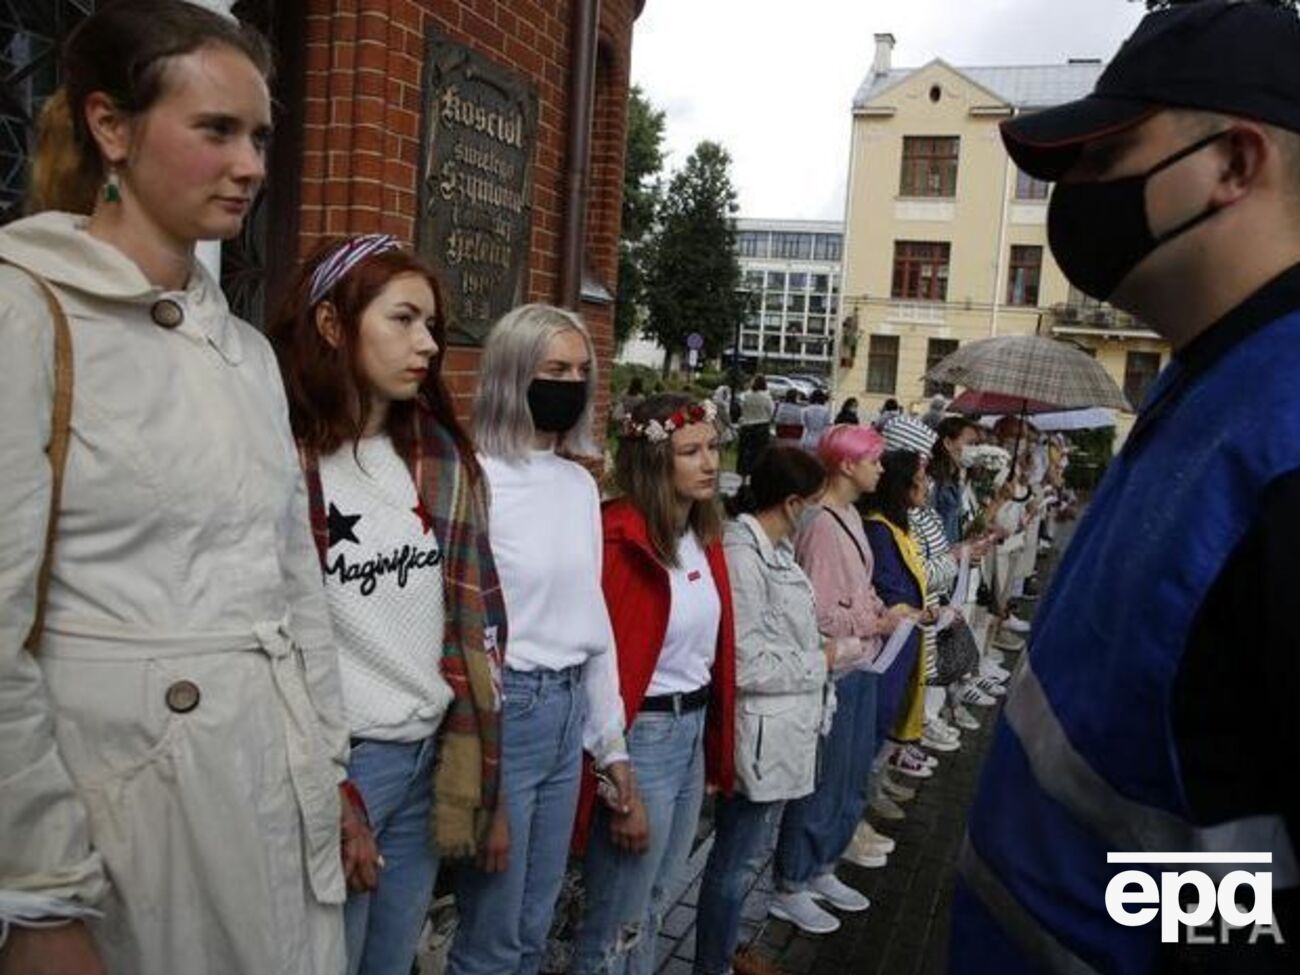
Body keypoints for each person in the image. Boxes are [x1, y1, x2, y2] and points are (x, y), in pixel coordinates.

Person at [0, 3, 360, 972]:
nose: (250, 164)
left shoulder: (243, 349)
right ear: (111, 127)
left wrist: (327, 766)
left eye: (259, 136)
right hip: (128, 823)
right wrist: (39, 895)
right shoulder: (26, 312)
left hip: (272, 802)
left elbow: (295, 581)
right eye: (216, 130)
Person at [954, 3, 1300, 971]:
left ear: (1234, 164)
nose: (1075, 194)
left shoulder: (1283, 436)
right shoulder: (1214, 378)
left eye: (1105, 157)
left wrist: (1151, 927)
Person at [268, 237, 504, 975]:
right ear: (334, 325)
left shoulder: (434, 458)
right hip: (344, 765)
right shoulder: (282, 458)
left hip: (427, 751)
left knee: (389, 960)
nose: (427, 344)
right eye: (403, 319)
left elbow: (470, 620)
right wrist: (329, 788)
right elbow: (266, 636)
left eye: (430, 324)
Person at [449, 305, 634, 975]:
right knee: (490, 934)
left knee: (533, 926)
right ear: (511, 372)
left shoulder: (577, 485)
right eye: (555, 369)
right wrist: (485, 781)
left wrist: (611, 745)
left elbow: (595, 624)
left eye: (582, 370)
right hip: (506, 716)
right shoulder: (474, 480)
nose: (573, 382)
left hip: (565, 716)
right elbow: (461, 631)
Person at [573, 393, 736, 975]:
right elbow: (601, 664)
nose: (709, 462)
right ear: (653, 460)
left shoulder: (703, 533)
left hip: (689, 736)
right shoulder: (616, 537)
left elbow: (714, 657)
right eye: (690, 452)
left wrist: (713, 749)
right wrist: (619, 776)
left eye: (713, 447)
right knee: (617, 916)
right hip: (643, 738)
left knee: (657, 903)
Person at [695, 447, 830, 975]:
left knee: (742, 856)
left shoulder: (774, 547)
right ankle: (712, 962)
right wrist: (822, 659)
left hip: (780, 728)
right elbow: (744, 663)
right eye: (815, 501)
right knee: (734, 859)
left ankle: (723, 951)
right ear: (794, 502)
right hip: (758, 730)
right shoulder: (742, 555)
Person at [769, 425, 901, 936]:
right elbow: (820, 613)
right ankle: (792, 881)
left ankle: (821, 866)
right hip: (838, 666)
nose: (881, 468)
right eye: (874, 459)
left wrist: (878, 611)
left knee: (847, 776)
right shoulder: (822, 524)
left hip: (861, 661)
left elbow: (856, 589)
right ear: (847, 465)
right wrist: (875, 622)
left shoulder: (847, 514)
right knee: (822, 781)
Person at [859, 452, 937, 784]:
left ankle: (875, 786)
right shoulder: (879, 529)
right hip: (889, 638)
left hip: (907, 634)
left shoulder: (898, 524)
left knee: (890, 714)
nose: (926, 486)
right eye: (920, 480)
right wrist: (919, 611)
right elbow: (891, 586)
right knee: (877, 719)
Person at [736, 376, 775, 478]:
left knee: (744, 452)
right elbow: (771, 412)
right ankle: (757, 475)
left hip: (746, 426)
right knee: (759, 453)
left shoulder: (746, 395)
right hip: (761, 426)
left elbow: (742, 409)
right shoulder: (766, 397)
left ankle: (743, 475)